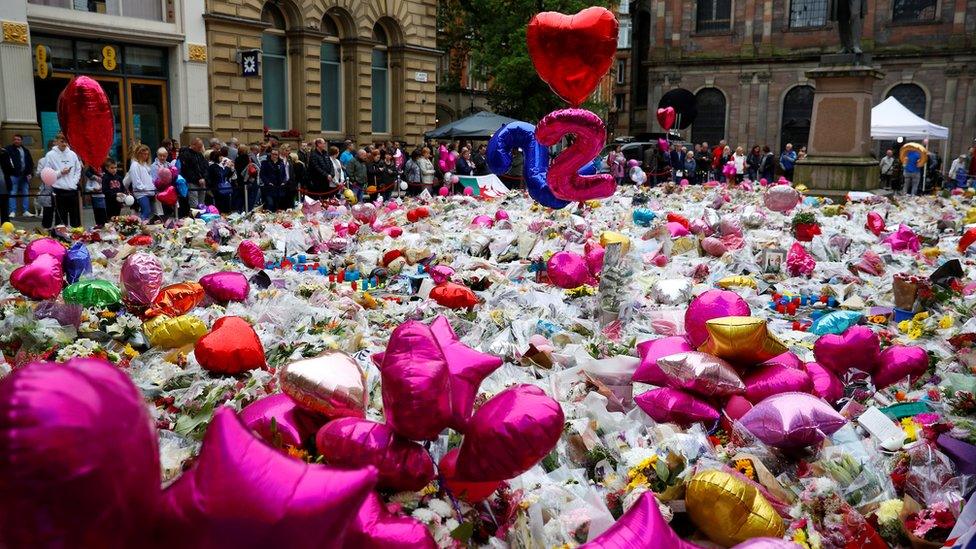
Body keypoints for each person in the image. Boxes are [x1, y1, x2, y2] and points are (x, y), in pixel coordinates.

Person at [45, 133, 82, 227]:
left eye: (66, 141)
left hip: (72, 190)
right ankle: (61, 237)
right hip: (59, 191)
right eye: (62, 141)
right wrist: (60, 173)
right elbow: (47, 173)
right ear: (56, 141)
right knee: (61, 218)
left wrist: (74, 182)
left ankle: (76, 235)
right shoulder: (50, 155)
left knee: (75, 217)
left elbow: (78, 169)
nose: (64, 144)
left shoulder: (72, 154)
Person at [5, 134, 34, 217]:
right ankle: (12, 211)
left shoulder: (25, 150)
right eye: (15, 139)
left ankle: (26, 211)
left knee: (25, 192)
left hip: (24, 175)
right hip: (14, 175)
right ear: (13, 140)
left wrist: (30, 173)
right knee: (12, 192)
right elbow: (6, 162)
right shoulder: (8, 149)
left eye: (18, 139)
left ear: (21, 141)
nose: (16, 141)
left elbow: (30, 162)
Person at [127, 144, 155, 222]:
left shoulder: (145, 165)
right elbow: (136, 180)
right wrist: (144, 188)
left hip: (149, 191)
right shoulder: (135, 165)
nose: (145, 156)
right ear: (138, 154)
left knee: (148, 212)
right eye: (143, 154)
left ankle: (143, 225)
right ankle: (139, 225)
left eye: (147, 154)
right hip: (141, 192)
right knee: (146, 211)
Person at [178, 138, 208, 207]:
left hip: (202, 182)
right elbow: (187, 170)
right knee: (194, 202)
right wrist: (198, 179)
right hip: (192, 182)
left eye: (201, 147)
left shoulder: (200, 155)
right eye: (199, 147)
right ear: (193, 145)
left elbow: (205, 167)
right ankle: (195, 215)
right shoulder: (186, 155)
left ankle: (201, 214)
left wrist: (204, 178)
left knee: (202, 203)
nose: (200, 149)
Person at [0, 146, 11, 224]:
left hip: (4, 186)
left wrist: (4, 154)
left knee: (4, 209)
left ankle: (5, 226)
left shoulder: (4, 153)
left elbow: (10, 168)